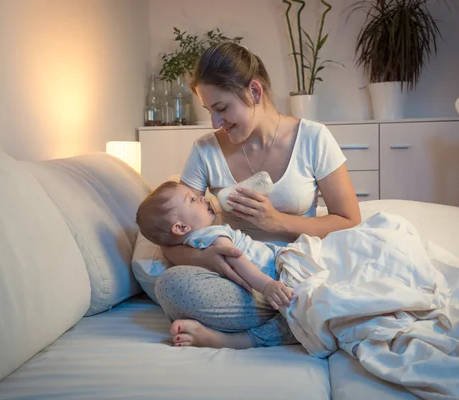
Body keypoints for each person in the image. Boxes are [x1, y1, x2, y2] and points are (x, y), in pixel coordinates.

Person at [154, 42, 361, 350]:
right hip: (240, 279)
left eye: (222, 109)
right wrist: (206, 257)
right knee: (171, 286)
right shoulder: (204, 150)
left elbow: (349, 221)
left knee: (341, 285)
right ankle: (301, 318)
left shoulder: (313, 138)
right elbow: (171, 239)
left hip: (298, 272)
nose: (215, 123)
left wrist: (278, 222)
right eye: (210, 111)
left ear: (254, 91)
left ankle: (248, 332)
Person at [136, 181, 295, 319]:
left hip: (273, 265)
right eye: (192, 199)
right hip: (274, 267)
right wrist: (267, 286)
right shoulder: (210, 234)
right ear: (181, 227)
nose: (203, 197)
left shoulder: (194, 243)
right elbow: (237, 259)